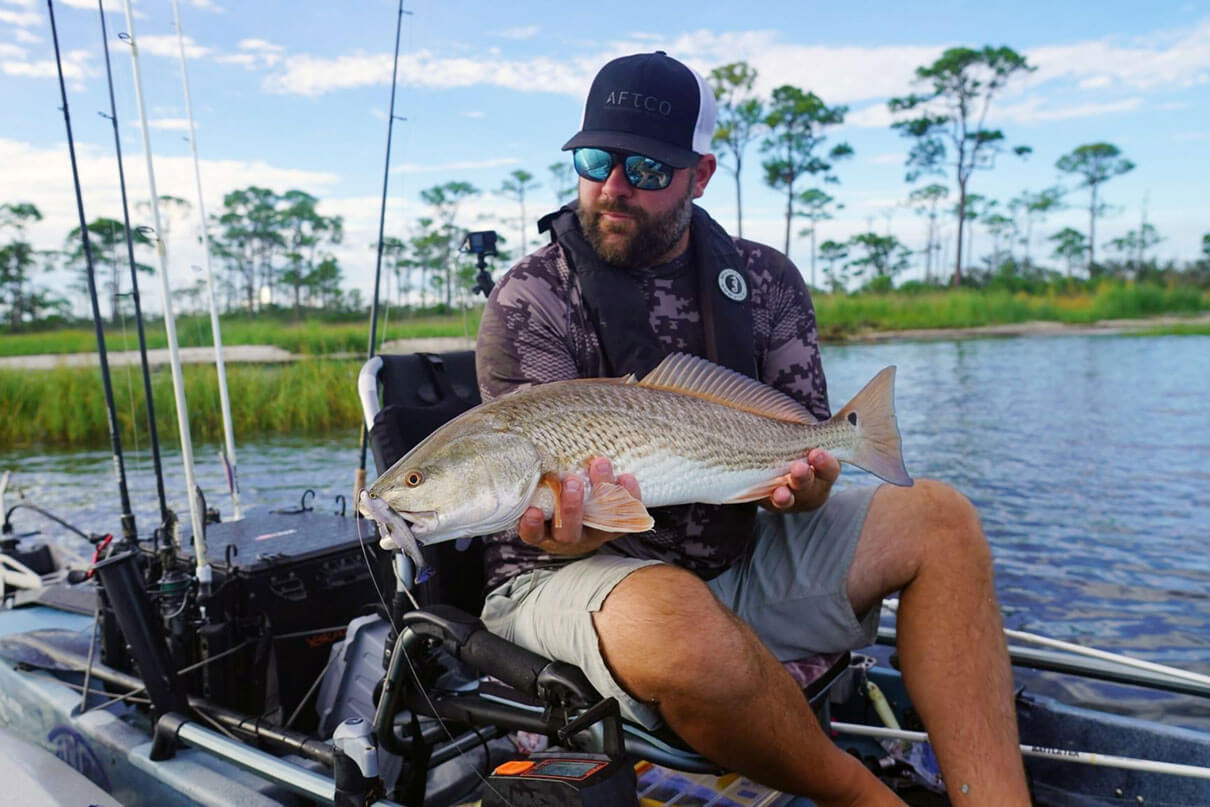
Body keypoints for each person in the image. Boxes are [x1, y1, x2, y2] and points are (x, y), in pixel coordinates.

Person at [475, 51, 1029, 806]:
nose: (612, 187)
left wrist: (807, 486)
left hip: (739, 551)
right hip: (568, 575)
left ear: (700, 175)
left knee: (945, 520)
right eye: (596, 159)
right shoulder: (530, 299)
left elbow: (802, 452)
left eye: (644, 168)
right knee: (677, 615)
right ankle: (872, 798)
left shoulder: (765, 281)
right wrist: (567, 530)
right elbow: (550, 524)